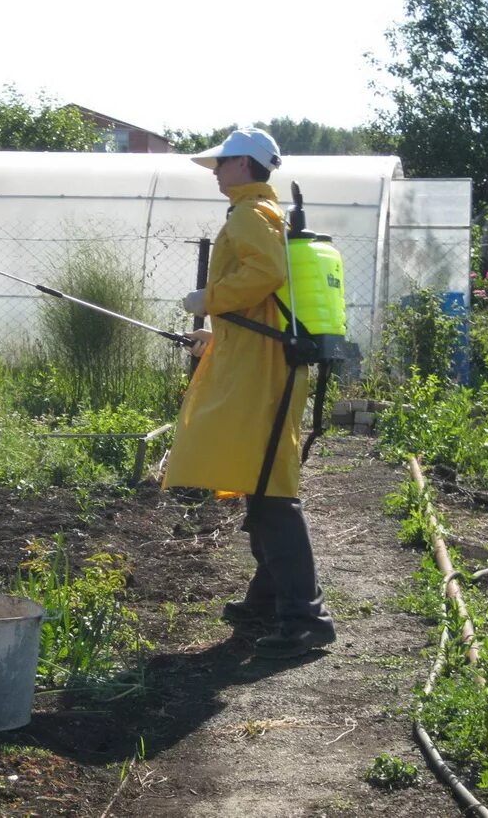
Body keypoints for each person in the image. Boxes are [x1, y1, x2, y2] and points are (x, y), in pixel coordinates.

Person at [163, 128, 336, 659]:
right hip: (263, 359)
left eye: (221, 162)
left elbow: (268, 272)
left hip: (264, 371)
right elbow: (271, 302)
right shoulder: (263, 212)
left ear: (244, 165)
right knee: (257, 480)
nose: (214, 170)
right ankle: (266, 601)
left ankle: (305, 619)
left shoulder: (249, 216)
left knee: (271, 490)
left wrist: (209, 298)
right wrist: (221, 333)